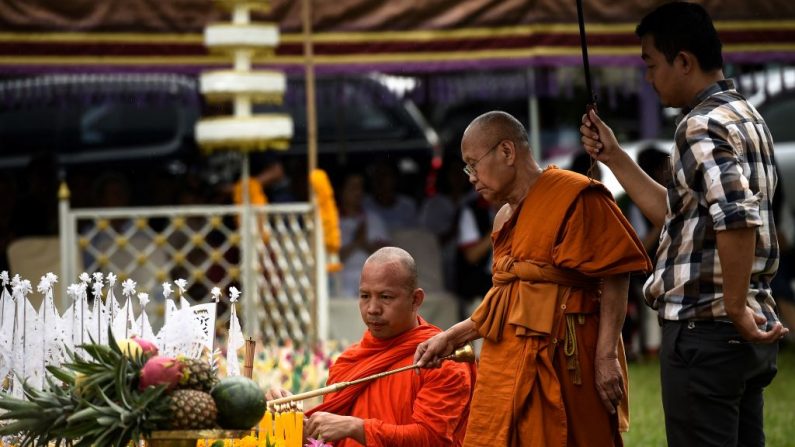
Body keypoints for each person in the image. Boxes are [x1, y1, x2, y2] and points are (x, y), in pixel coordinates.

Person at [579, 3, 789, 446]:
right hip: (742, 336)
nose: (649, 78)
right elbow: (678, 217)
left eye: (651, 65)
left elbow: (737, 217)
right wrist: (614, 157)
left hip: (706, 331)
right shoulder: (748, 117)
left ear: (684, 62)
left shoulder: (699, 126)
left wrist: (732, 306)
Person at [414, 111, 652, 446]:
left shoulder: (575, 196)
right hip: (509, 360)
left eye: (473, 163)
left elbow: (616, 273)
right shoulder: (502, 219)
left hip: (570, 356)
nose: (470, 177)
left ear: (507, 152)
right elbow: (503, 299)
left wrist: (606, 355)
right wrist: (452, 337)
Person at [266, 247, 475, 446]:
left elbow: (432, 439)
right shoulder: (349, 362)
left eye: (386, 297)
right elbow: (325, 440)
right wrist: (290, 419)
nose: (373, 309)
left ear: (415, 300)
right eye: (365, 296)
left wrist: (358, 428)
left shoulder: (441, 360)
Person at [337, 171, 390, 298]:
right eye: (353, 187)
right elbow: (331, 258)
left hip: (374, 279)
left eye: (360, 187)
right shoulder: (331, 221)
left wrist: (363, 243)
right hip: (341, 280)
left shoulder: (373, 219)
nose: (358, 192)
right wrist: (355, 242)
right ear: (341, 191)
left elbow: (387, 257)